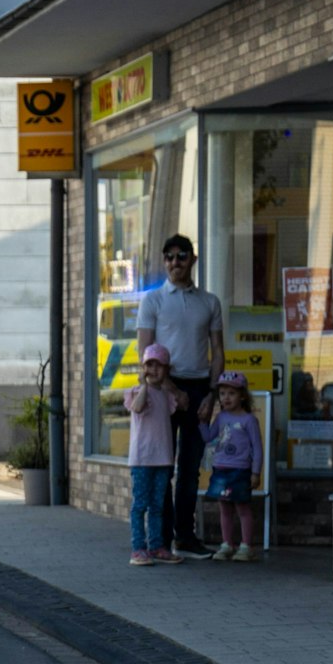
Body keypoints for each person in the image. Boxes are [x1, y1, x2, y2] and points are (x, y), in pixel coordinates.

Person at [136, 234, 226, 559]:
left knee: (189, 467)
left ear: (193, 260)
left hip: (200, 388)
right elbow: (144, 353)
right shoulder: (154, 301)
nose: (176, 262)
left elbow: (218, 353)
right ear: (164, 262)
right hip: (163, 390)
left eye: (182, 256)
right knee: (163, 466)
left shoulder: (210, 302)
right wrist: (171, 389)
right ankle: (160, 539)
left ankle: (185, 537)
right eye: (170, 257)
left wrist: (211, 396)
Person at [126, 344, 184, 566]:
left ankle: (157, 546)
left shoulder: (167, 396)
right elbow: (138, 408)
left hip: (163, 458)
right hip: (142, 459)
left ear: (167, 370)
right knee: (140, 504)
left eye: (159, 365)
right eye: (149, 364)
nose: (154, 369)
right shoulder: (135, 392)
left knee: (158, 505)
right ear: (143, 368)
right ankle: (138, 549)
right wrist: (143, 385)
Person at [199, 370, 265, 563]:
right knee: (224, 508)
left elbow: (257, 448)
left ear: (242, 396)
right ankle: (227, 543)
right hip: (220, 468)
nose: (226, 398)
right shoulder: (220, 418)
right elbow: (208, 437)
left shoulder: (249, 420)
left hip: (240, 470)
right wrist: (202, 422)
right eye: (222, 393)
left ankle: (246, 545)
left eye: (231, 393)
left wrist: (255, 472)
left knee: (242, 508)